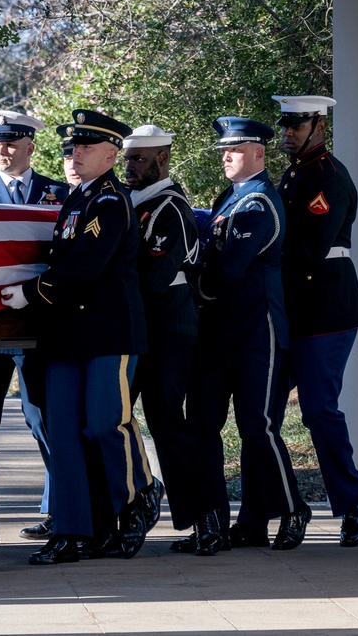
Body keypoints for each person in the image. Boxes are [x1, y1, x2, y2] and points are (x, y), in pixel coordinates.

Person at [0, 109, 156, 565]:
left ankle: (137, 498)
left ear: (111, 155)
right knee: (65, 434)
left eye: (85, 147)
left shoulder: (110, 202)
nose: (75, 154)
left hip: (109, 334)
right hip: (67, 336)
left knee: (104, 424)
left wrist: (30, 293)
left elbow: (86, 267)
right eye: (72, 147)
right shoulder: (74, 202)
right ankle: (73, 530)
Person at [194, 116, 311, 552]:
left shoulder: (258, 203)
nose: (226, 156)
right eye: (224, 149)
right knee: (203, 423)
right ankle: (215, 524)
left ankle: (293, 508)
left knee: (257, 428)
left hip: (254, 333)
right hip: (219, 333)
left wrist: (192, 283)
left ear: (259, 154)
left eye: (236, 150)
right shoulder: (232, 197)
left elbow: (226, 269)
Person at [274, 94, 358, 547]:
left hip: (325, 307)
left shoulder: (329, 177)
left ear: (320, 127)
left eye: (297, 125)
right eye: (285, 125)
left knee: (317, 411)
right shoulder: (294, 174)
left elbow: (309, 247)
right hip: (292, 307)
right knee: (263, 415)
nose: (288, 132)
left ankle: (353, 505)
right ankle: (289, 508)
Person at [0, 110, 68, 541]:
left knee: (42, 417)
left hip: (37, 321)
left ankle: (62, 509)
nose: (3, 151)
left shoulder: (59, 193)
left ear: (30, 147)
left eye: (11, 144)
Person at [121, 125, 215, 553]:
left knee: (164, 418)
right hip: (147, 327)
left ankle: (208, 517)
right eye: (127, 158)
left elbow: (156, 277)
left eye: (139, 159)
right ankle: (144, 501)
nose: (130, 166)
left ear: (162, 159)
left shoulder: (170, 208)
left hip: (172, 327)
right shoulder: (136, 204)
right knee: (120, 415)